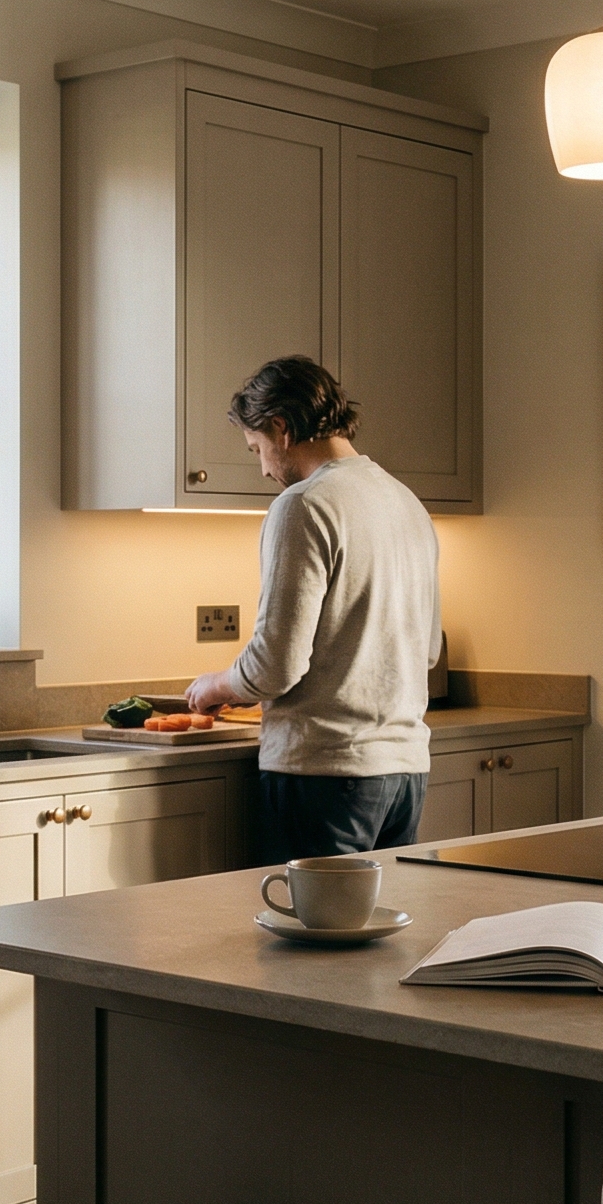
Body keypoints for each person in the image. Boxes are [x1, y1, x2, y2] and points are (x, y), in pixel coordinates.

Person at [185, 355, 442, 864]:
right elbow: (428, 650)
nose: (261, 467)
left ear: (281, 428)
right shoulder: (406, 501)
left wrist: (216, 685)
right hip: (405, 773)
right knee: (380, 939)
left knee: (313, 939)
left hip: (325, 774)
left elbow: (276, 664)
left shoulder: (304, 503)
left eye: (257, 447)